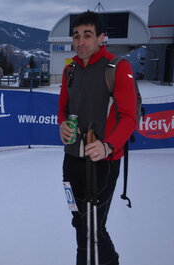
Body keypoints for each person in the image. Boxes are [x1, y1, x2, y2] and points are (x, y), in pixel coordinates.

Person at [58, 11, 137, 265]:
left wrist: (108, 146)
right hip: (71, 160)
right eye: (76, 36)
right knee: (80, 222)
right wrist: (62, 126)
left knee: (90, 227)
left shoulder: (117, 67)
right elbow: (63, 109)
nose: (81, 42)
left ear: (101, 37)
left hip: (103, 162)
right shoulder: (69, 70)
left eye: (88, 35)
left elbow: (129, 117)